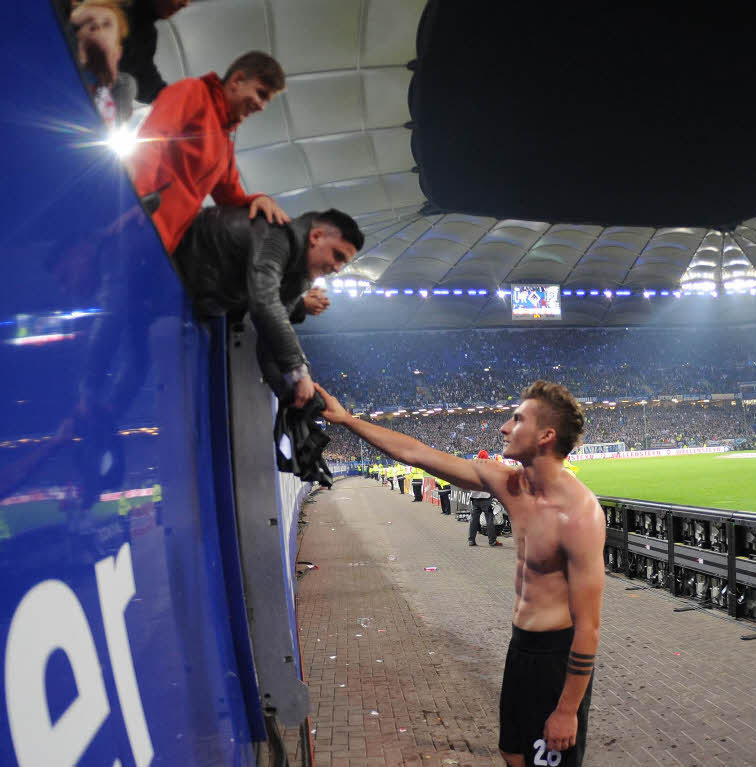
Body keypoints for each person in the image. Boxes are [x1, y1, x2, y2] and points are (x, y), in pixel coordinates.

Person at [314, 379, 605, 766]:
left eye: (517, 420)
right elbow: (416, 453)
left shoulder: (579, 514)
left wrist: (567, 709)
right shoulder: (510, 483)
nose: (504, 427)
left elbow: (589, 626)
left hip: (556, 657)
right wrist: (347, 420)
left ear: (546, 436)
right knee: (512, 752)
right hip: (521, 648)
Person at [172, 205, 363, 406]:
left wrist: (291, 395)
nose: (337, 269)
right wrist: (299, 372)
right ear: (316, 236)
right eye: (338, 256)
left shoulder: (301, 276)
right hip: (171, 272)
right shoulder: (277, 236)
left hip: (193, 304)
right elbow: (264, 304)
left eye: (344, 263)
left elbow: (269, 339)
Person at [130, 50, 290, 255]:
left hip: (161, 244)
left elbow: (230, 196)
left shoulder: (225, 143)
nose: (262, 107)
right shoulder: (193, 91)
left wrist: (259, 199)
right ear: (237, 80)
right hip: (138, 220)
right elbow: (152, 140)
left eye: (267, 100)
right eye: (261, 94)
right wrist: (136, 200)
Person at [68, 0, 137, 128]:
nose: (97, 24)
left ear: (118, 52)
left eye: (106, 24)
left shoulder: (117, 93)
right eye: (87, 23)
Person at [468, 450, 501, 547]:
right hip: (486, 498)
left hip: (475, 497)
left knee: (474, 520)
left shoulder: (472, 468)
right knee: (489, 520)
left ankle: (471, 540)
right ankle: (492, 541)